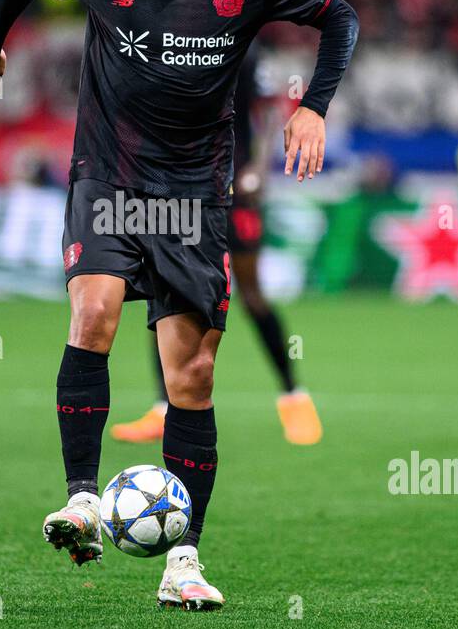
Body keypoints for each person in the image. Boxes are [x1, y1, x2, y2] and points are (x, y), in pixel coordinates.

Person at [0, 0, 357, 610]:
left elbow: (340, 16)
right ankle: (82, 499)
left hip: (192, 200)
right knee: (92, 316)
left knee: (193, 378)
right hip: (108, 181)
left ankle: (183, 560)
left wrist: (313, 105)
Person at [111, 44, 324, 446]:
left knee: (251, 292)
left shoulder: (245, 48)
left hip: (232, 183)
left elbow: (265, 114)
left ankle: (293, 396)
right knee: (165, 289)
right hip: (178, 185)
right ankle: (162, 408)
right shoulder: (170, 39)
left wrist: (258, 169)